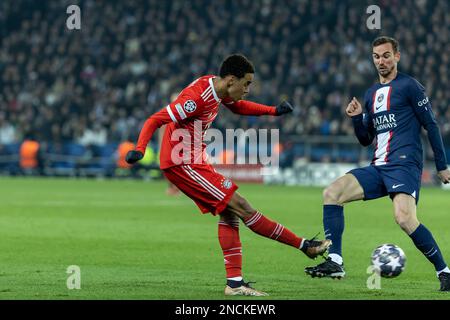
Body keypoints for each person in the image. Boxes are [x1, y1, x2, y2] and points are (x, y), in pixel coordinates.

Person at [126, 54, 331, 296]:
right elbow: (154, 119)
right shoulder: (196, 99)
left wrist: (273, 111)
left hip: (195, 159)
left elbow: (239, 106)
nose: (247, 90)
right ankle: (304, 245)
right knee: (242, 206)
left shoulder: (219, 89)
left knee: (230, 213)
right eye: (246, 84)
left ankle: (234, 284)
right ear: (231, 80)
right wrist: (139, 149)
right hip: (182, 162)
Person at [304, 36, 450, 291]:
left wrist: (442, 164)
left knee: (404, 218)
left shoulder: (410, 86)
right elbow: (365, 139)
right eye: (376, 57)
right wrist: (357, 117)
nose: (381, 61)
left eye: (385, 55)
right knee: (332, 193)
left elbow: (431, 125)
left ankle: (444, 271)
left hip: (404, 164)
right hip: (378, 166)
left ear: (397, 56)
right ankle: (336, 260)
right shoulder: (371, 94)